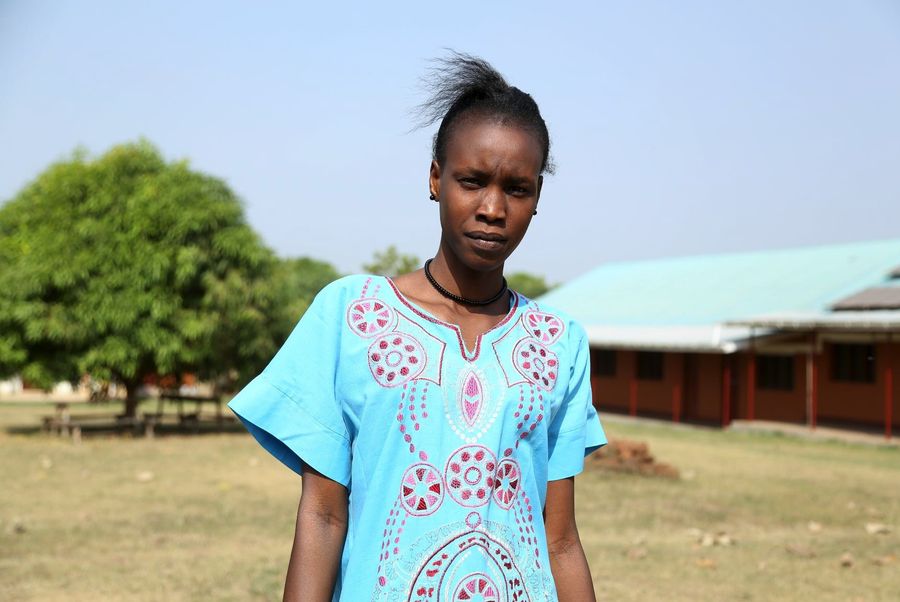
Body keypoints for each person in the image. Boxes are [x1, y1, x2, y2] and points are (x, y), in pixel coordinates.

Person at [228, 51, 606, 602]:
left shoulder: (557, 342)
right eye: (472, 181)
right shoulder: (352, 315)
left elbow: (562, 541)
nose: (492, 208)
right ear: (435, 178)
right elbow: (323, 516)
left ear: (536, 198)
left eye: (517, 189)